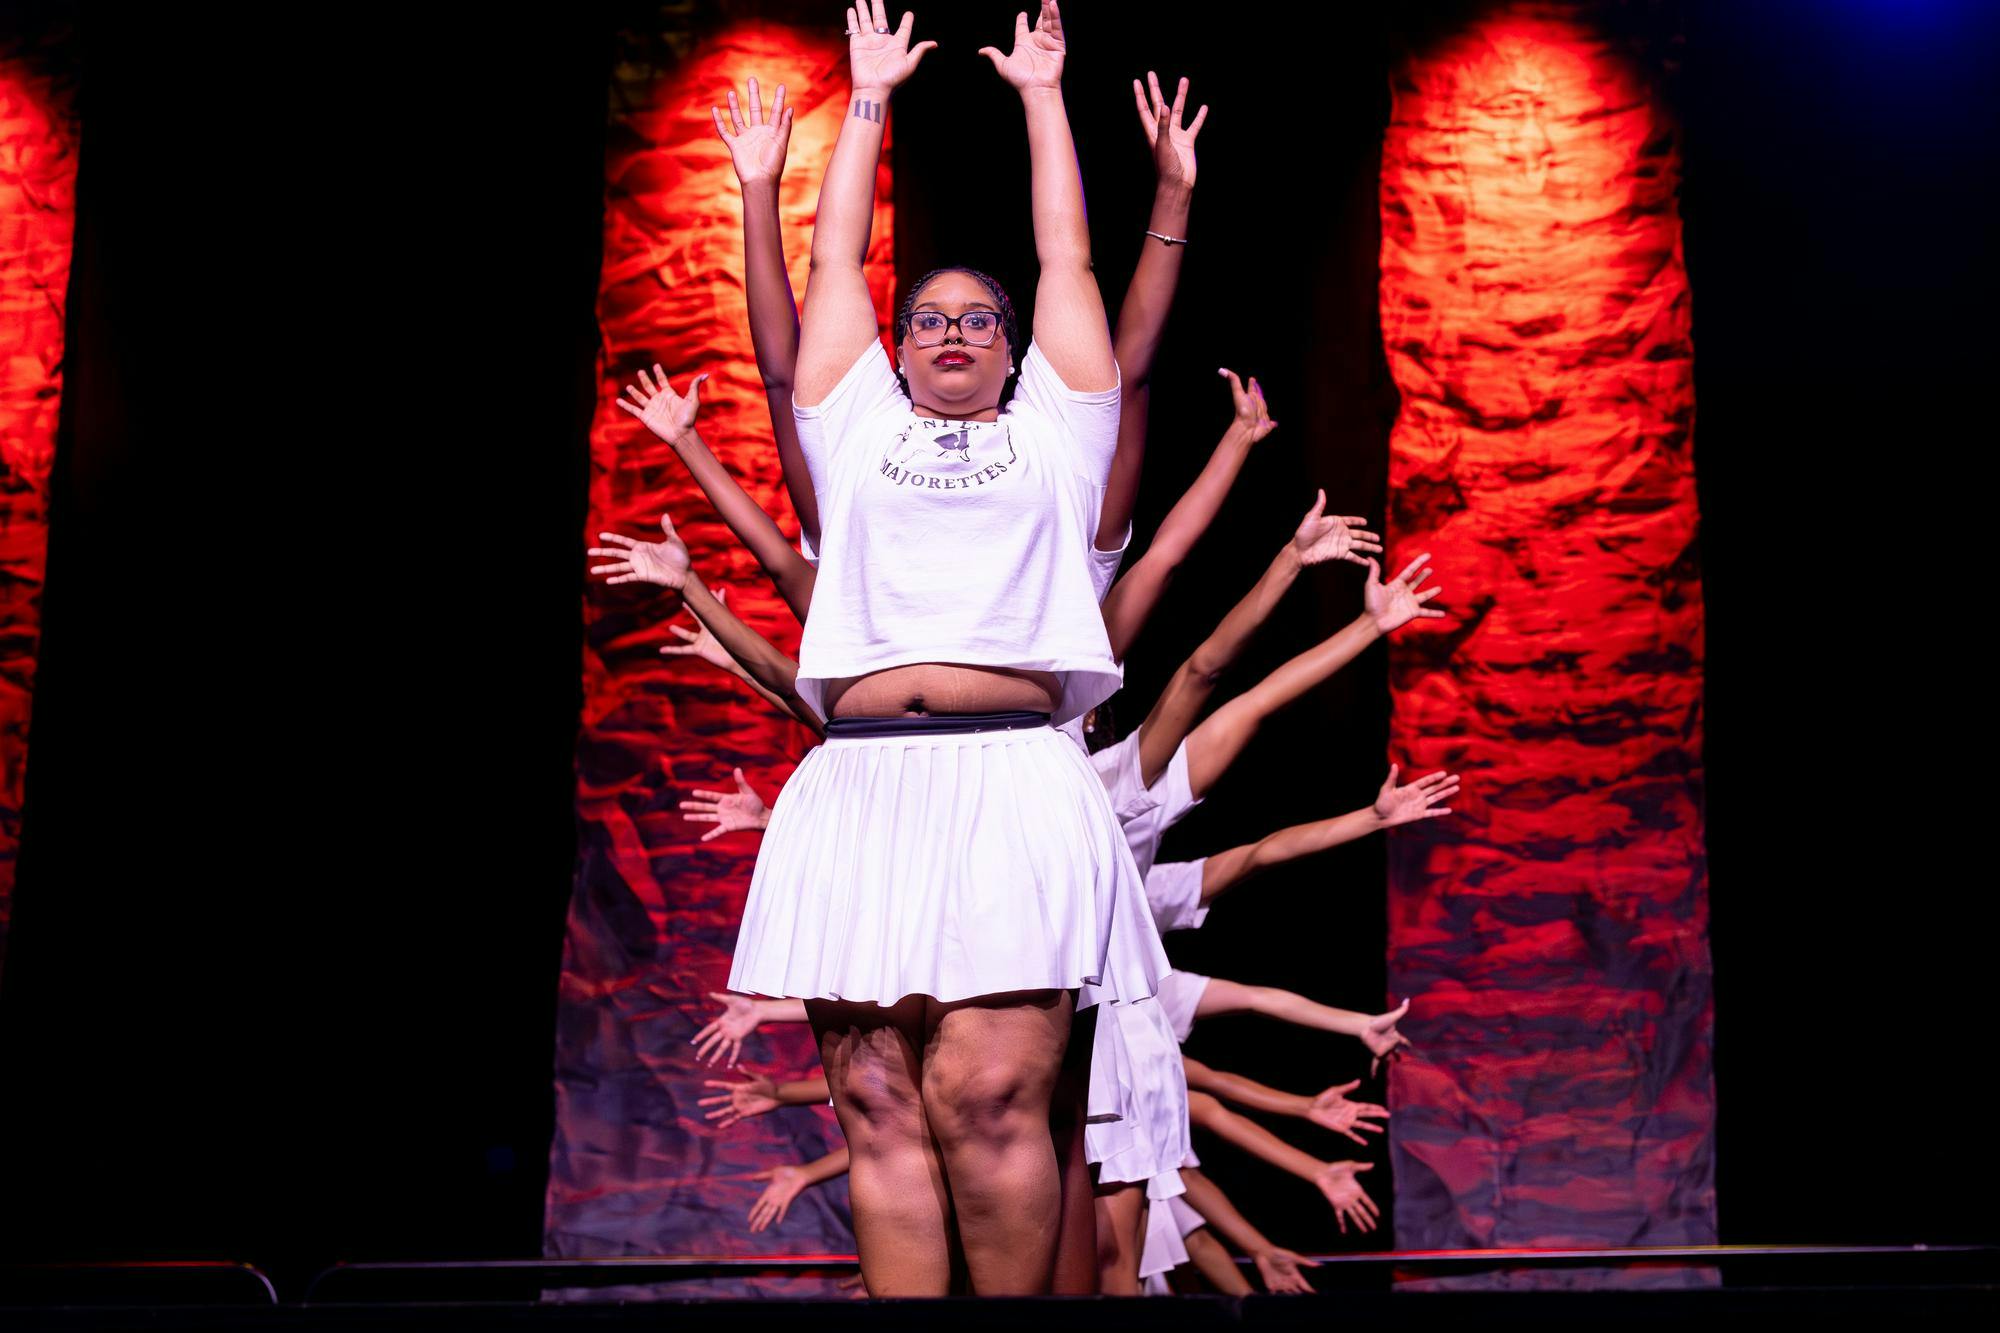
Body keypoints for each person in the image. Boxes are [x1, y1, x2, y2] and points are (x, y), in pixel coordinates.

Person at [715, 3, 1167, 1296]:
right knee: (879, 1105)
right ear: (896, 349)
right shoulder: (853, 425)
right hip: (861, 783)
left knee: (990, 1101)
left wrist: (1042, 97)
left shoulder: (1058, 433)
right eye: (928, 319)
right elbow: (833, 264)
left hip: (1010, 777)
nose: (953, 330)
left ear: (1015, 350)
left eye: (980, 319)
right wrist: (867, 101)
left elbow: (1068, 255)